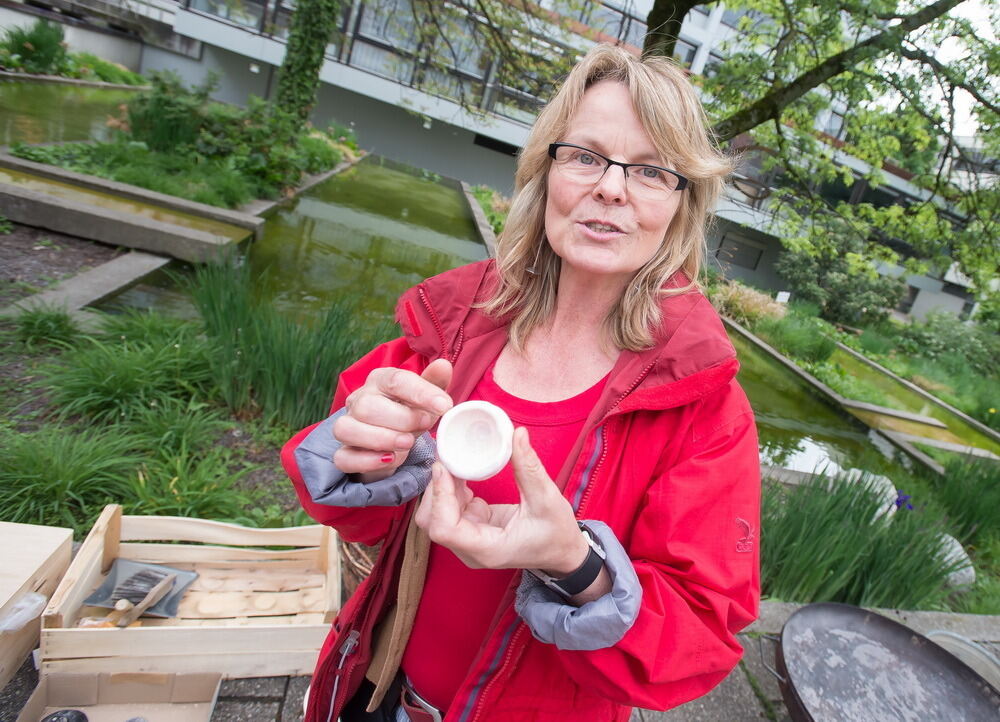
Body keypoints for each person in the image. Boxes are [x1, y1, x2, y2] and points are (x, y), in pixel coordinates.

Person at [282, 43, 760, 722]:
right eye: (587, 156)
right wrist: (360, 448)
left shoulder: (703, 408)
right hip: (378, 695)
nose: (612, 188)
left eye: (652, 171)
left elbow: (699, 639)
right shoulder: (453, 327)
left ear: (682, 207)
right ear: (547, 173)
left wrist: (574, 564)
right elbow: (345, 504)